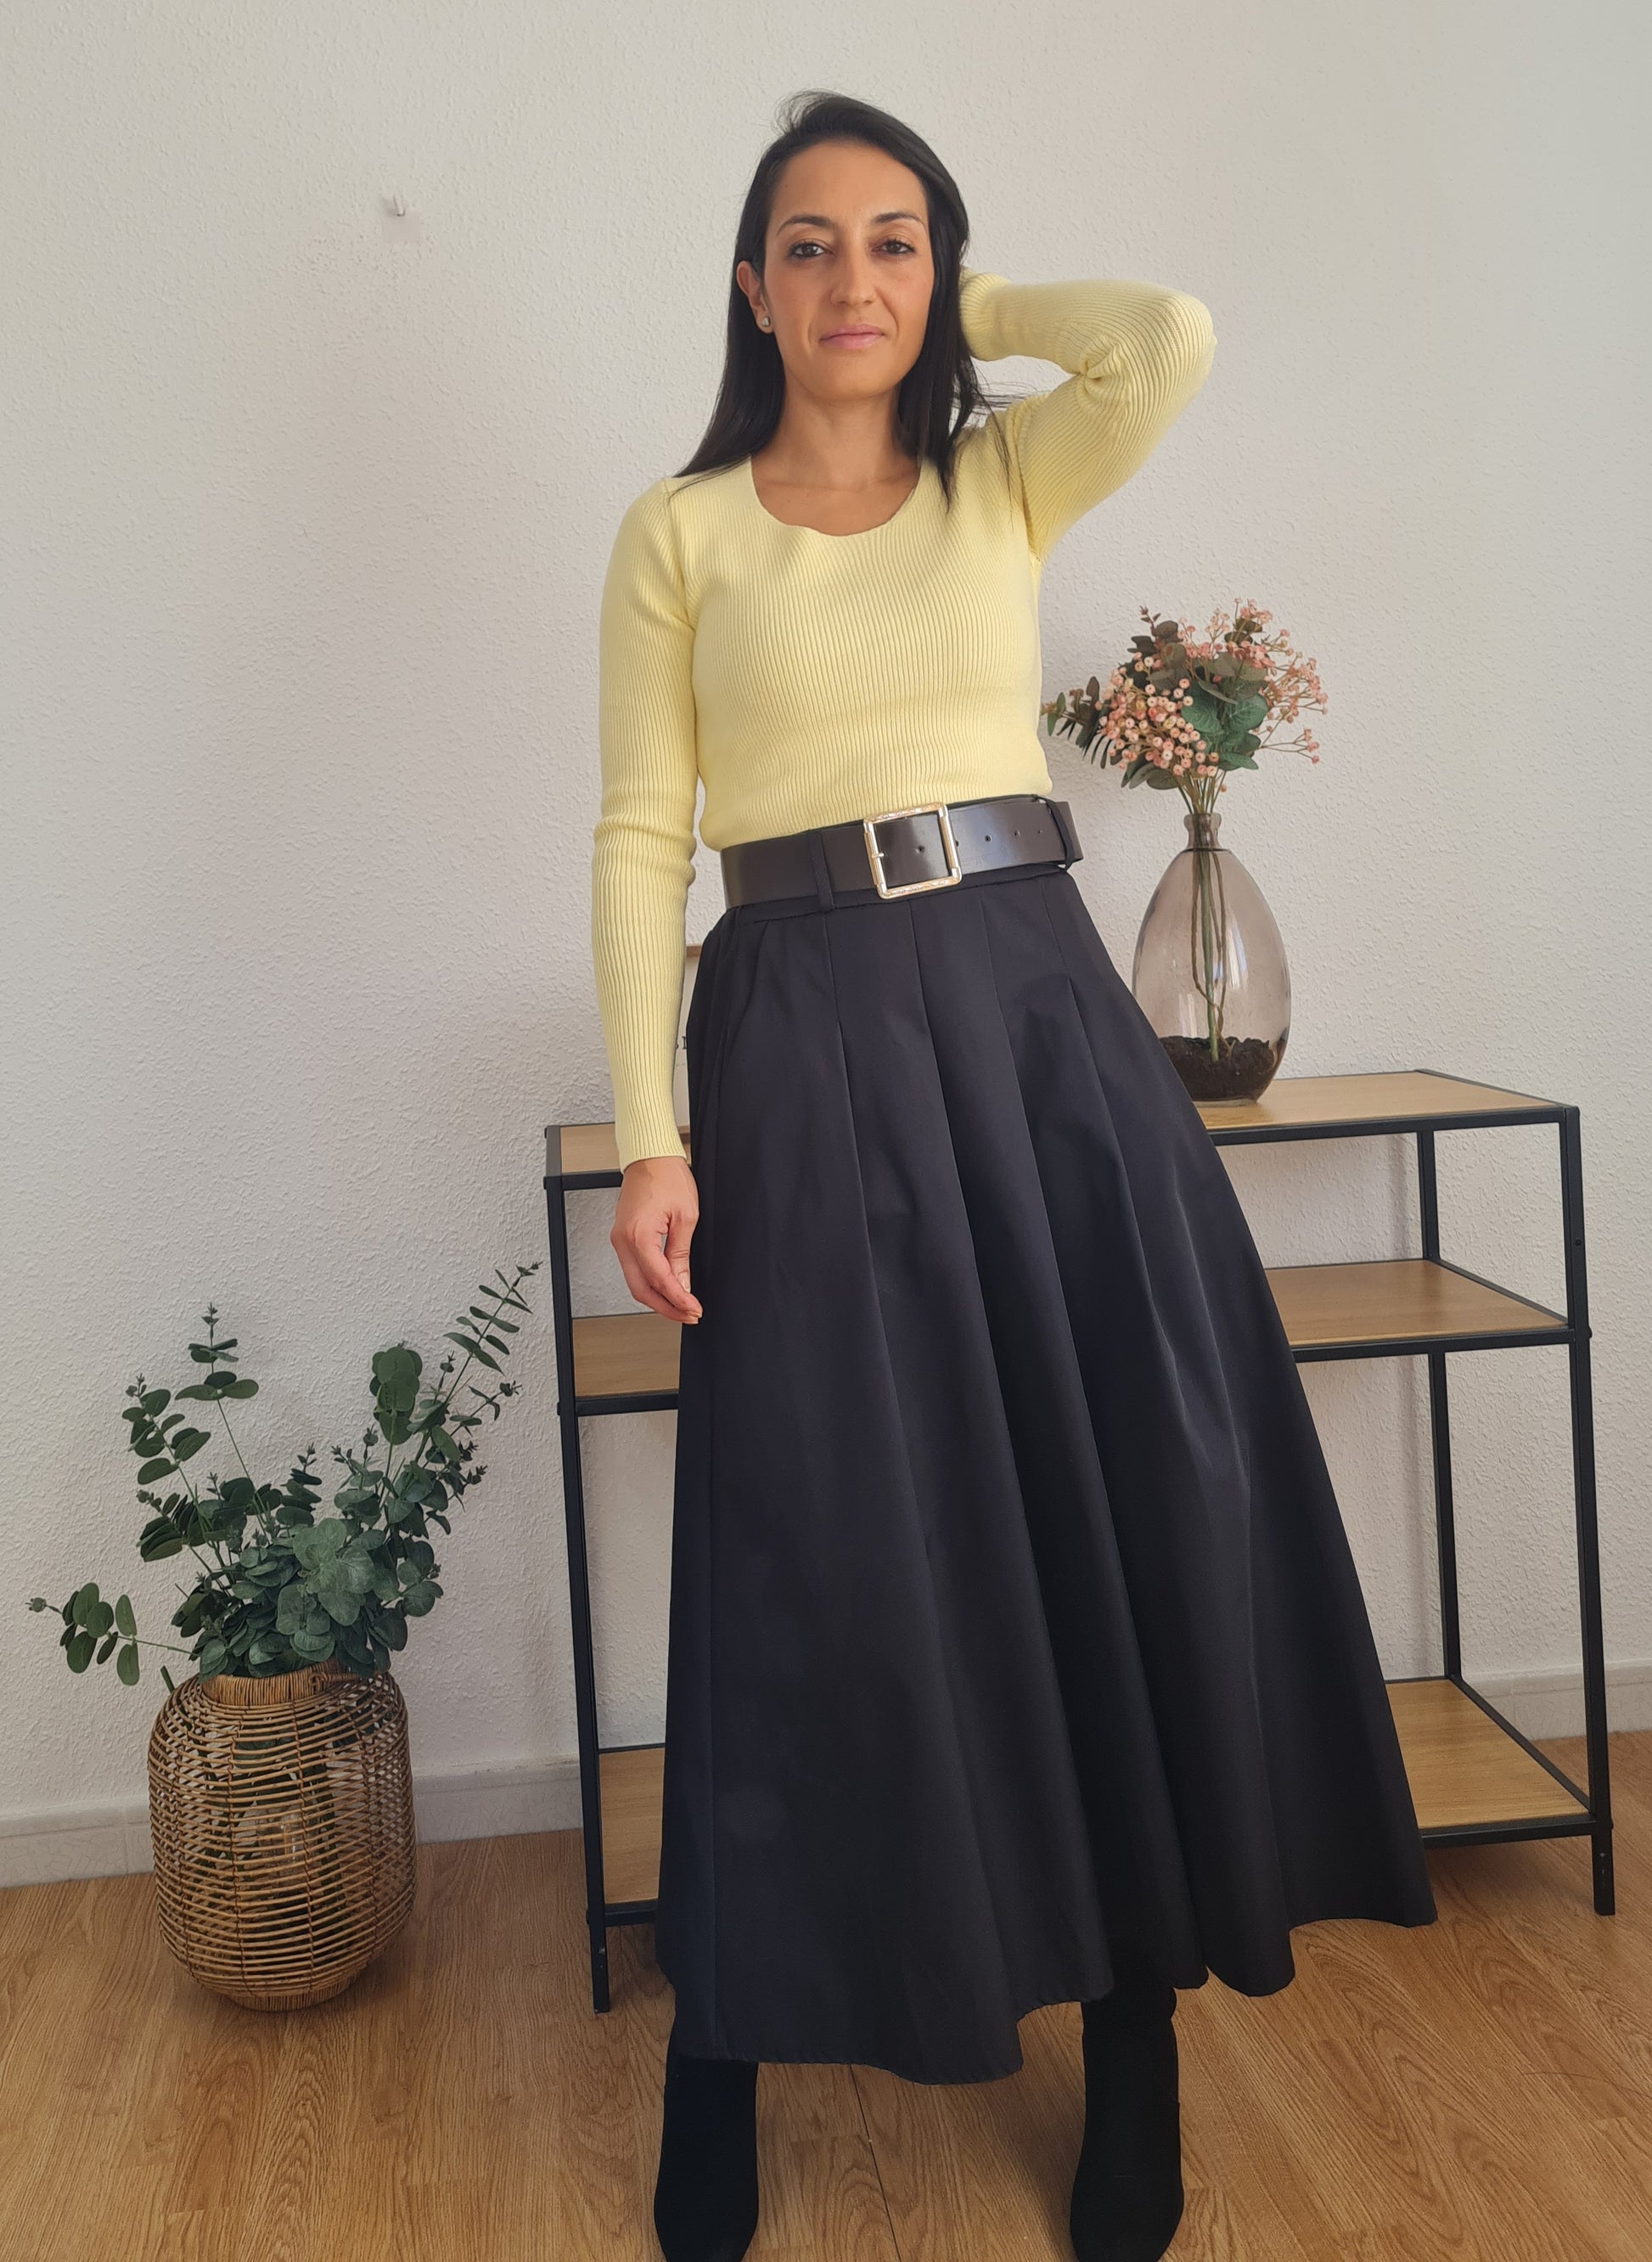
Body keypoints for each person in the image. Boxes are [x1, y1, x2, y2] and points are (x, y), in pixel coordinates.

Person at [590, 88, 1437, 2262]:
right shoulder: (680, 532)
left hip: (1031, 1004)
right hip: (792, 1022)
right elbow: (639, 837)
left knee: (1105, 1490)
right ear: (748, 284)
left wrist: (950, 310)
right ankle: (724, 2048)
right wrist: (654, 1138)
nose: (851, 281)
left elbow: (1165, 336)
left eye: (895, 242)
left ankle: (1137, 2025)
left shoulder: (1001, 477)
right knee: (809, 1531)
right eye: (808, 245)